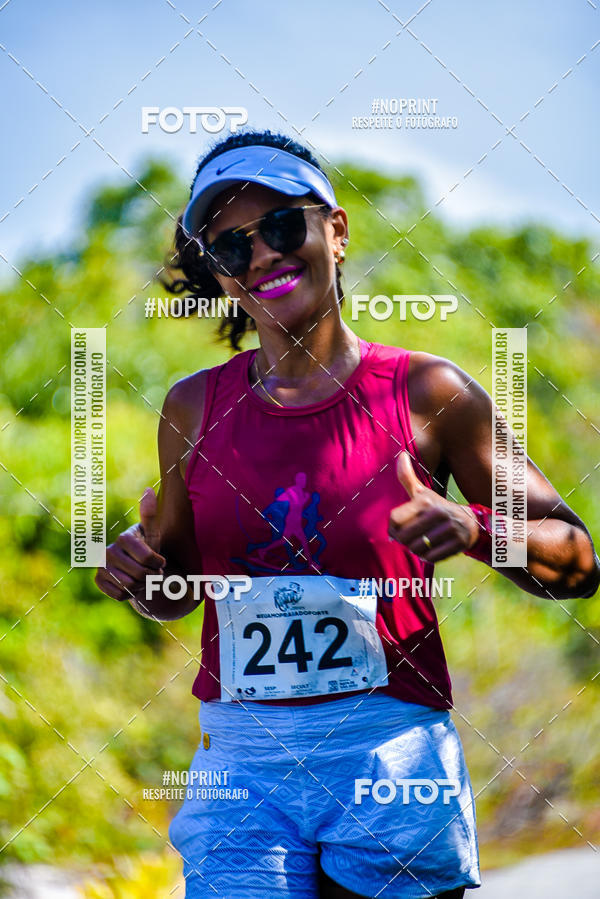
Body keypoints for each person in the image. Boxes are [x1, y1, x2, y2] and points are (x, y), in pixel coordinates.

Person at [95, 130, 600, 899]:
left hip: (389, 758)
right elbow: (174, 587)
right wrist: (135, 571)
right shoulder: (192, 407)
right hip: (245, 765)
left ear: (335, 228)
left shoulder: (430, 392)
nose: (262, 255)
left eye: (281, 226)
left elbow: (577, 558)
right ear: (221, 275)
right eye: (231, 247)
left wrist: (475, 529)